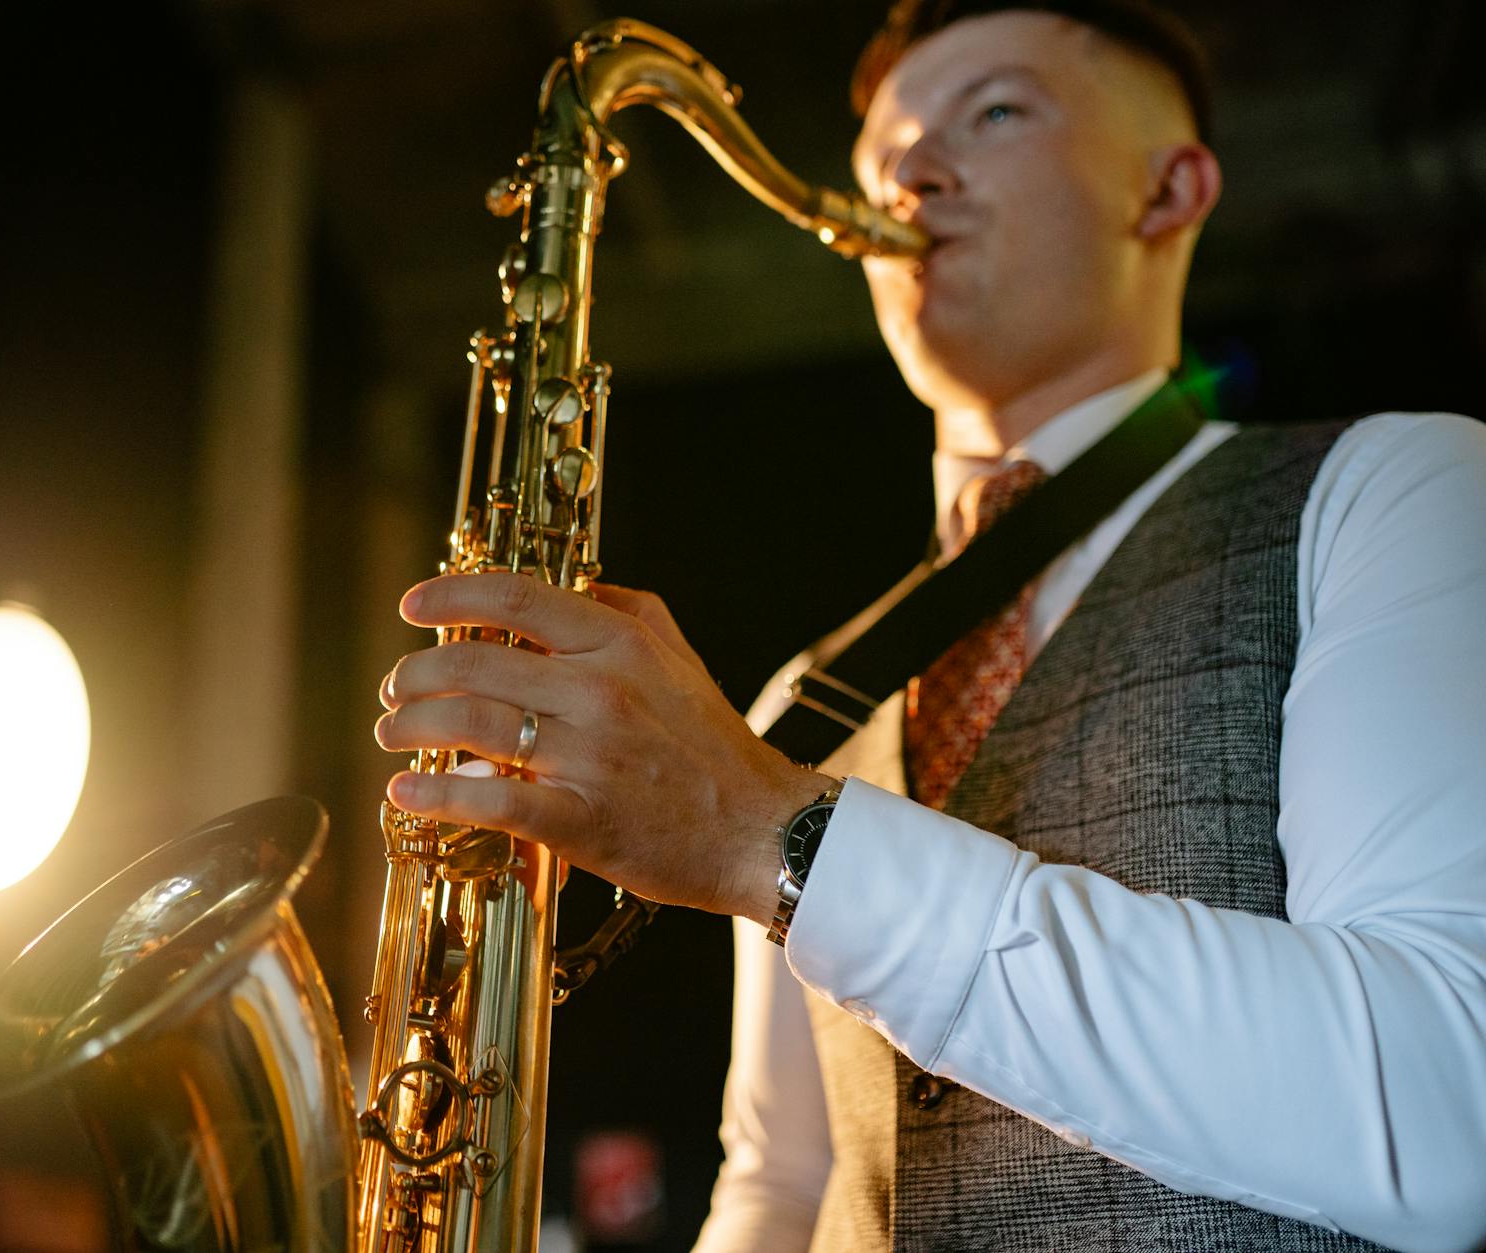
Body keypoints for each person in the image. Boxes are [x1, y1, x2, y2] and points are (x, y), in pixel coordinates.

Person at [373, 1, 1486, 1248]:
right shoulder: (809, 696)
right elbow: (783, 1183)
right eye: (880, 154)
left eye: (995, 111)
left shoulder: (1394, 486)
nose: (907, 172)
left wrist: (772, 834)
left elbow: (1444, 1103)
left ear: (1167, 190)